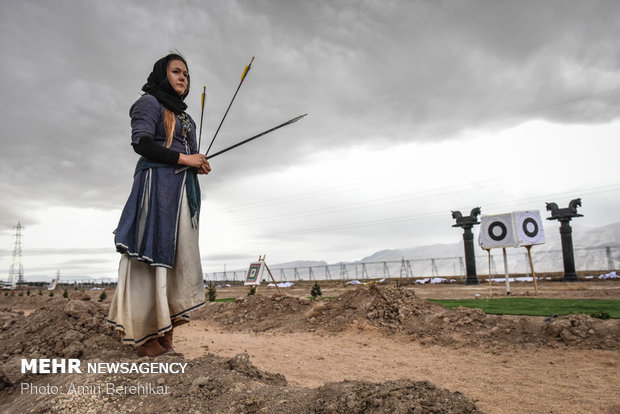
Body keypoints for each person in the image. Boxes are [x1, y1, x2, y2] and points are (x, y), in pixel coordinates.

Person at [108, 53, 211, 357]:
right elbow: (142, 143)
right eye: (176, 72)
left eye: (187, 74)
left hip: (181, 192)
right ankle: (144, 336)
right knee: (151, 255)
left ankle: (166, 332)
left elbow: (185, 153)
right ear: (162, 75)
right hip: (156, 189)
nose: (183, 78)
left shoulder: (185, 117)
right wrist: (185, 159)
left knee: (179, 259)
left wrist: (197, 163)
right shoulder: (149, 103)